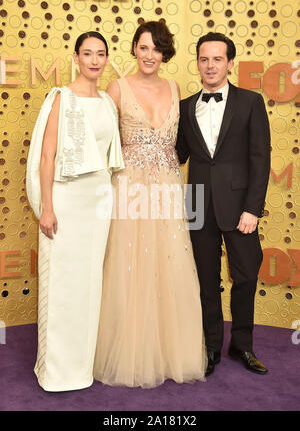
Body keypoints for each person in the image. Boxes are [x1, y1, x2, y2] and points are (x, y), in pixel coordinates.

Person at [93, 21, 207, 388]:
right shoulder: (116, 88)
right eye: (143, 48)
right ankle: (128, 353)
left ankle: (171, 352)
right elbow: (99, 140)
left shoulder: (175, 88)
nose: (149, 55)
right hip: (129, 188)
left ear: (165, 54)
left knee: (170, 265)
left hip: (169, 188)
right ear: (134, 50)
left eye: (156, 49)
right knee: (128, 267)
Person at [26, 32, 124, 391]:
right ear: (76, 57)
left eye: (101, 54)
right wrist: (47, 208)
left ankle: (82, 369)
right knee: (62, 284)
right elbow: (46, 156)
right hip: (65, 201)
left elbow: (111, 161)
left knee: (88, 286)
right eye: (88, 54)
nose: (95, 60)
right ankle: (55, 371)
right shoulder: (60, 98)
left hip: (98, 202)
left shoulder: (107, 103)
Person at [176, 32, 270, 376]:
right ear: (197, 63)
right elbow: (178, 155)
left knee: (245, 277)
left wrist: (253, 209)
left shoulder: (250, 102)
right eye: (204, 59)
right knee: (205, 278)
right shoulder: (186, 106)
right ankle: (211, 346)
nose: (210, 65)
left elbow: (260, 158)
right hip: (198, 204)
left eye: (217, 59)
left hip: (240, 208)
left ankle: (242, 345)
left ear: (230, 63)